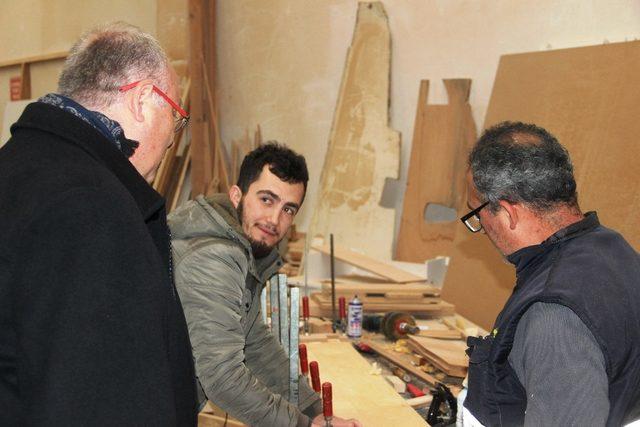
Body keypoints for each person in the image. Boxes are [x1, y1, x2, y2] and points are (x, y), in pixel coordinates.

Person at [0, 22, 197, 425]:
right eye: (176, 119)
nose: (172, 140)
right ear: (143, 99)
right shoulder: (91, 209)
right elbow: (101, 401)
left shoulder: (17, 167)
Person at [459, 121, 640, 426]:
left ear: (507, 213)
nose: (482, 229)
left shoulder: (553, 314)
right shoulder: (615, 251)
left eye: (477, 214)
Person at [170, 143, 361, 427]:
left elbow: (255, 341)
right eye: (266, 200)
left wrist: (312, 410)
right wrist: (303, 425)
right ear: (237, 195)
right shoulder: (214, 256)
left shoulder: (242, 249)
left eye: (288, 209)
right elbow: (224, 378)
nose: (275, 220)